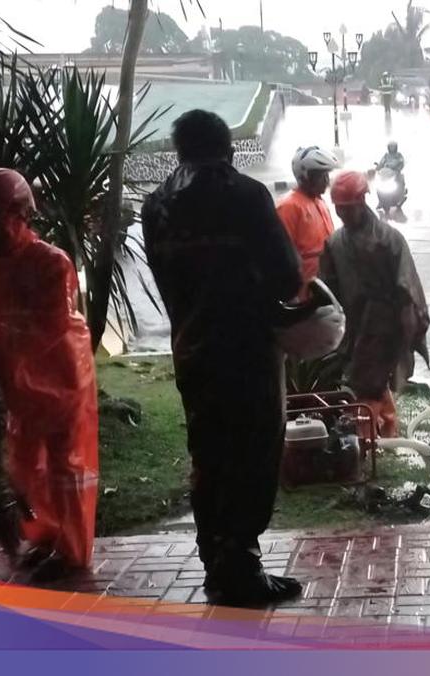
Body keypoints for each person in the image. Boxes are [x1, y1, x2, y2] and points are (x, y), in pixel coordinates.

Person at [142, 110, 304, 606]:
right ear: (228, 148)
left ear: (179, 151)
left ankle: (216, 561)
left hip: (192, 349)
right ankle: (242, 567)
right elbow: (287, 277)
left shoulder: (156, 205)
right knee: (254, 453)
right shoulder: (247, 196)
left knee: (209, 456)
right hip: (249, 350)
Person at [0, 168, 99, 579]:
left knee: (68, 469)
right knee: (26, 467)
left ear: (22, 215)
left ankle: (72, 551)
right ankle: (45, 538)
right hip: (18, 386)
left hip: (62, 382)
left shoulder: (50, 263)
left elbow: (47, 326)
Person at [319, 171, 430, 438]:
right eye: (339, 209)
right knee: (369, 381)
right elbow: (327, 289)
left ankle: (366, 440)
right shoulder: (335, 243)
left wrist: (409, 326)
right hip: (354, 325)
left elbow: (407, 286)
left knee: (369, 382)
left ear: (362, 202)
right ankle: (388, 429)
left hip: (386, 324)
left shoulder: (390, 240)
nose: (343, 214)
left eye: (348, 208)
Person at [276, 146, 339, 288]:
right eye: (321, 176)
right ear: (305, 176)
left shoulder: (320, 202)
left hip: (326, 286)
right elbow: (282, 254)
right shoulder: (289, 206)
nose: (326, 181)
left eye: (327, 175)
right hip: (305, 291)